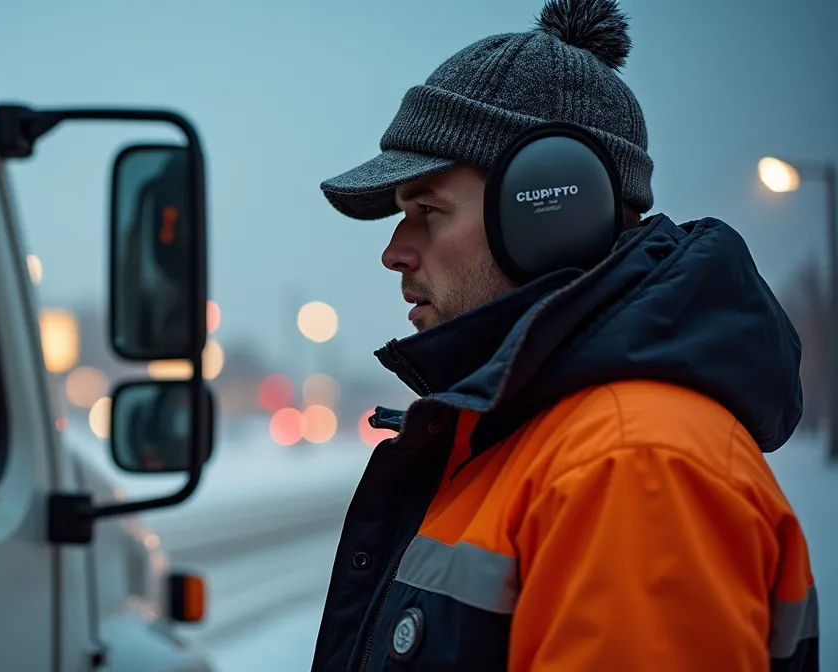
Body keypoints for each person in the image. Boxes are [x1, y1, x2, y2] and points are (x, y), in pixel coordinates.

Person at [311, 1, 819, 671]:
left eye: (427, 211)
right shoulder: (524, 440)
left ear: (550, 213)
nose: (395, 253)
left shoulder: (634, 467)